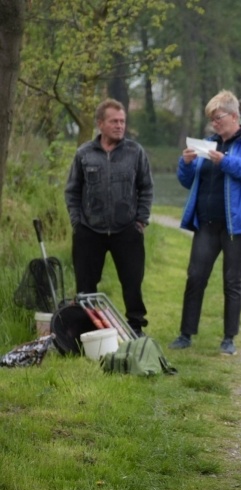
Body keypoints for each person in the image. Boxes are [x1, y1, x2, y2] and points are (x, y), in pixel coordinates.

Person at [168, 90, 241, 356]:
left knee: (232, 281)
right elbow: (188, 181)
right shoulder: (207, 143)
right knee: (195, 277)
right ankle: (185, 334)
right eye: (211, 119)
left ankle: (229, 338)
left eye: (218, 117)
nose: (214, 123)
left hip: (239, 226)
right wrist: (186, 163)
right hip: (207, 224)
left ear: (235, 116)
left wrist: (226, 161)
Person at [65, 98, 153, 335]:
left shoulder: (135, 152)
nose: (119, 126)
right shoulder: (84, 154)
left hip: (127, 230)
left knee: (132, 283)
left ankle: (135, 326)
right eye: (114, 121)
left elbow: (146, 187)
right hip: (89, 231)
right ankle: (87, 328)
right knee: (85, 286)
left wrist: (141, 220)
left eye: (122, 121)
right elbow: (72, 191)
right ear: (100, 124)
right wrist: (77, 223)